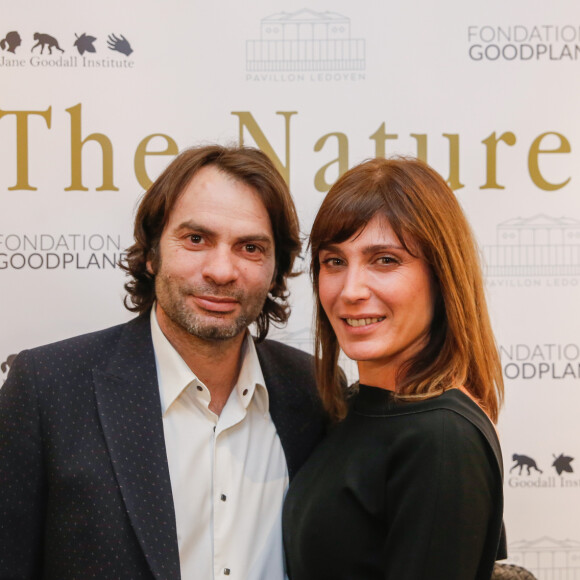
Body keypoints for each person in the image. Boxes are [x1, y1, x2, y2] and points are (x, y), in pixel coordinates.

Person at [0, 145, 325, 580]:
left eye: (250, 247)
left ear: (275, 269)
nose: (222, 270)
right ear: (152, 254)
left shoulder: (313, 391)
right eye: (196, 239)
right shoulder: (47, 389)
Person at [283, 157, 506, 580]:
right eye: (334, 261)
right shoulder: (357, 408)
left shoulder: (440, 436)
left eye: (384, 260)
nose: (350, 291)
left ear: (442, 276)